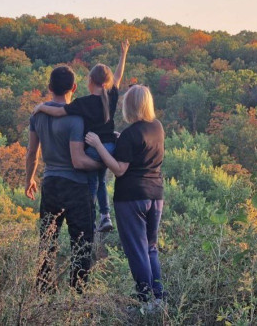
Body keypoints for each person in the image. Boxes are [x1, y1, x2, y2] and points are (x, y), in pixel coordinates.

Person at [33, 40, 130, 233]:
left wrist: (41, 107)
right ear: (107, 83)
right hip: (110, 146)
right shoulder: (110, 96)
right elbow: (118, 76)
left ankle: (92, 217)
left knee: (92, 182)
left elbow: (59, 112)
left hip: (94, 148)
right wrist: (123, 54)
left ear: (89, 81)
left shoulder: (82, 103)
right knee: (102, 180)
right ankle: (105, 215)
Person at [84, 85, 166, 304]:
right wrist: (122, 142)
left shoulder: (131, 134)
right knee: (150, 248)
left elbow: (119, 169)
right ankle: (158, 298)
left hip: (132, 197)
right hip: (156, 194)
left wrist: (98, 145)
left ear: (130, 105)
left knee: (136, 250)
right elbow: (141, 150)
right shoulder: (157, 127)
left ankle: (145, 300)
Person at [25, 65, 102, 293]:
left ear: (49, 87)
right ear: (74, 88)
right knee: (81, 244)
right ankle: (77, 297)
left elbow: (31, 152)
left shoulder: (37, 114)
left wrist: (29, 179)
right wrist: (103, 163)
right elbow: (78, 161)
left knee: (47, 242)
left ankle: (43, 294)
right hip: (76, 187)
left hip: (50, 184)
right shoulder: (75, 118)